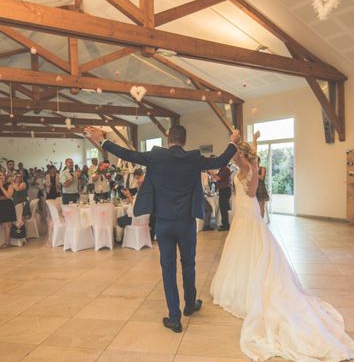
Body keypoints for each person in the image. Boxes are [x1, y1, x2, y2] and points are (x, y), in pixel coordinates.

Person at [210, 139, 354, 362]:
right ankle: (238, 289)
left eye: (235, 154)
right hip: (241, 218)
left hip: (249, 217)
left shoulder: (248, 169)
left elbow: (247, 182)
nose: (231, 157)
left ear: (240, 156)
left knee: (254, 254)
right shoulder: (239, 170)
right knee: (240, 256)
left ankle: (251, 292)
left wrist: (235, 144)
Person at [85, 125, 239, 333]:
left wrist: (102, 140)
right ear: (185, 140)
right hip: (186, 223)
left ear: (168, 138)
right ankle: (190, 304)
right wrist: (233, 141)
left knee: (168, 269)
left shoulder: (156, 156)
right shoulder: (194, 158)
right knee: (188, 264)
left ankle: (174, 318)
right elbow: (221, 161)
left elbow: (126, 153)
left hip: (164, 223)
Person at [0, 170, 15, 248]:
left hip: (7, 204)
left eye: (3, 175)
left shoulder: (9, 185)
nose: (1, 177)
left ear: (5, 176)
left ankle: (7, 243)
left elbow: (8, 196)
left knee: (6, 225)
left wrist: (2, 187)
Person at [213, 162, 232, 231]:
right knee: (223, 207)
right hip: (224, 190)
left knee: (224, 208)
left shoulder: (225, 169)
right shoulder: (222, 169)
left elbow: (217, 178)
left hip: (225, 190)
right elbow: (216, 177)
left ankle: (226, 225)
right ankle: (225, 224)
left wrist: (211, 172)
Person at [256, 155, 270, 219]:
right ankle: (256, 221)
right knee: (254, 206)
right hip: (254, 189)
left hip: (261, 189)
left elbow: (262, 178)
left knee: (261, 205)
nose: (255, 162)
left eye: (256, 161)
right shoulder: (251, 169)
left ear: (259, 161)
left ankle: (261, 221)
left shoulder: (262, 168)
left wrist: (254, 173)